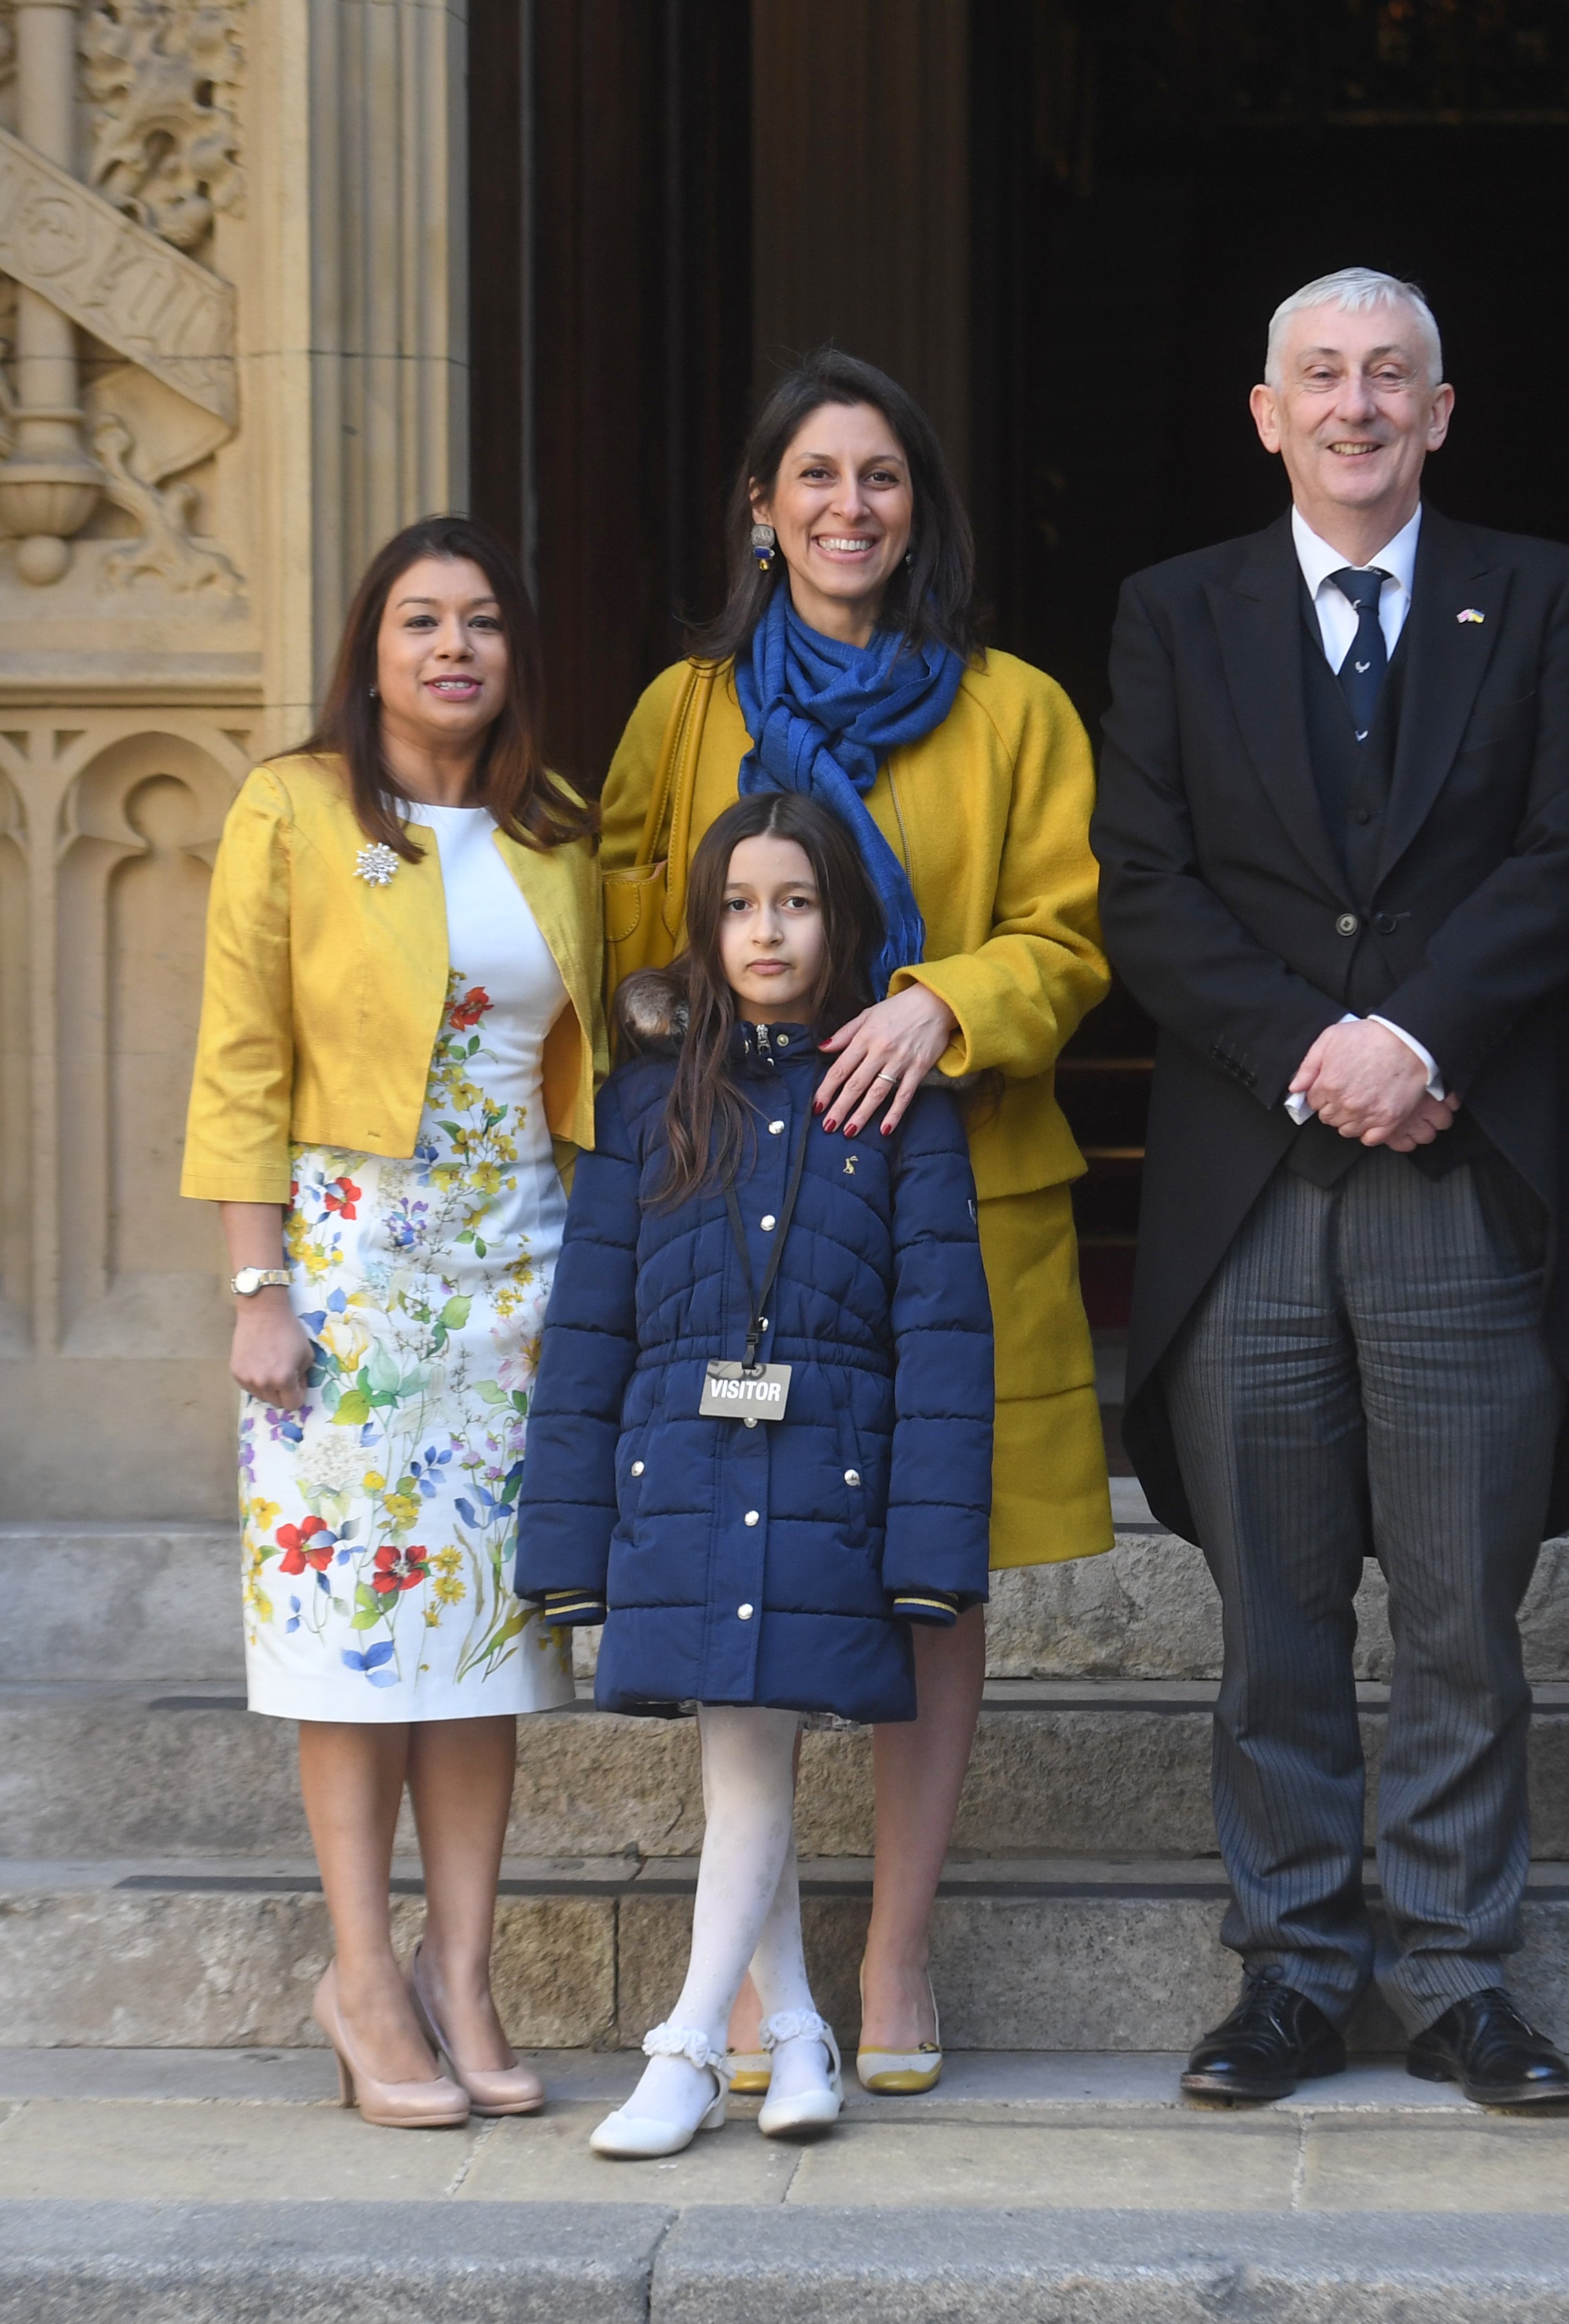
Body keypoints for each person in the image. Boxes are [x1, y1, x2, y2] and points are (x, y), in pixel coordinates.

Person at [1097, 268, 1569, 2111]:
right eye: (1319, 376)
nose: (1354, 404)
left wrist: (1420, 1036)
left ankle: (1467, 1972)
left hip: (1458, 1167)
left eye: (1388, 375)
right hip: (1256, 1173)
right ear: (1266, 413)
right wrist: (1315, 1048)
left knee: (1467, 1605)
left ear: (1443, 408)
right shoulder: (1174, 613)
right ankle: (1300, 1967)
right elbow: (1145, 883)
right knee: (1278, 1606)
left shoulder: (1541, 592)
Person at [594, 350, 1110, 2096]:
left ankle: (893, 1946)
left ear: (920, 508)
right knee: (743, 1552)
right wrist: (696, 1020)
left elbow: (1068, 935)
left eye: (880, 476)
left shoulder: (1014, 706)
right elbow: (621, 910)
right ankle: (751, 1969)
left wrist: (936, 1002)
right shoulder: (683, 711)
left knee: (927, 1565)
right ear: (760, 507)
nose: (847, 508)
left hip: (952, 1193)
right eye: (813, 476)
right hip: (740, 1210)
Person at [182, 513, 604, 2128]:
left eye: (483, 621)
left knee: (491, 1647)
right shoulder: (290, 807)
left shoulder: (557, 835)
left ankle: (464, 1970)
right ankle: (362, 1981)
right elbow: (241, 1054)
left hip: (524, 1276)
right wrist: (254, 1282)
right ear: (370, 650)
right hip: (347, 1278)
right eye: (422, 620)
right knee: (353, 1649)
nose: (455, 647)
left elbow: (599, 1070)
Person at [520, 790, 997, 2158]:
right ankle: (788, 2031)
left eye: (793, 901)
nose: (765, 928)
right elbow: (592, 1324)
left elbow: (943, 1341)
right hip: (682, 1473)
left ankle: (681, 2043)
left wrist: (928, 1551)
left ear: (839, 919)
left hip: (827, 1481)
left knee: (749, 1758)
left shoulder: (901, 1110)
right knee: (750, 1751)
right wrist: (564, 1542)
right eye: (737, 904)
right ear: (704, 924)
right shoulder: (647, 1103)